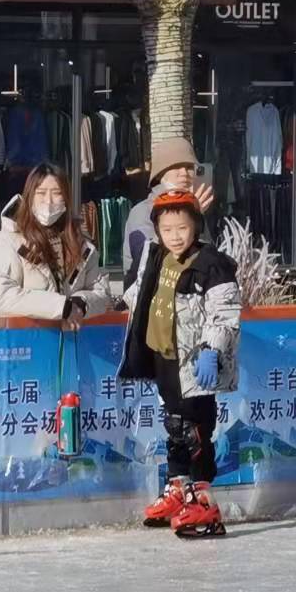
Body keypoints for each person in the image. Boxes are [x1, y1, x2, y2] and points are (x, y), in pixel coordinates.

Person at [119, 190, 241, 539]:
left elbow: (225, 312)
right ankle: (178, 486)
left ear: (196, 227)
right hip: (164, 357)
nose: (175, 236)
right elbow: (141, 293)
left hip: (196, 361)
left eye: (182, 228)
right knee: (174, 425)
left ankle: (203, 496)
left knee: (196, 427)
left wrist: (211, 350)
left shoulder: (211, 263)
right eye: (167, 229)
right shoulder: (155, 256)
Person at [0, 163, 112, 323]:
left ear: (66, 197)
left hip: (69, 342)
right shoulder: (9, 240)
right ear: (30, 196)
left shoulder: (81, 244)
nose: (48, 201)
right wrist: (60, 307)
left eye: (57, 193)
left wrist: (81, 304)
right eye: (41, 193)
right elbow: (2, 294)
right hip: (23, 341)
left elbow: (102, 292)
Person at [122, 137, 217, 273]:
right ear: (161, 173)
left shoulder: (193, 207)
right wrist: (193, 219)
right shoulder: (142, 212)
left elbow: (207, 255)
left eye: (189, 167)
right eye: (176, 166)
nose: (184, 173)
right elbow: (151, 261)